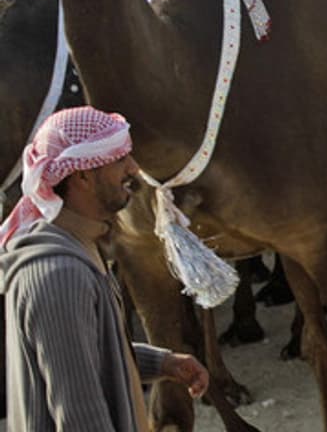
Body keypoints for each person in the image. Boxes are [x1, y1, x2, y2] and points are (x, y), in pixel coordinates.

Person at [0, 106, 210, 432]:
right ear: (82, 175)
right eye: (118, 159)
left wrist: (163, 363)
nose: (134, 168)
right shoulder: (59, 274)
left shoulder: (77, 245)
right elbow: (80, 416)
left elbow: (84, 354)